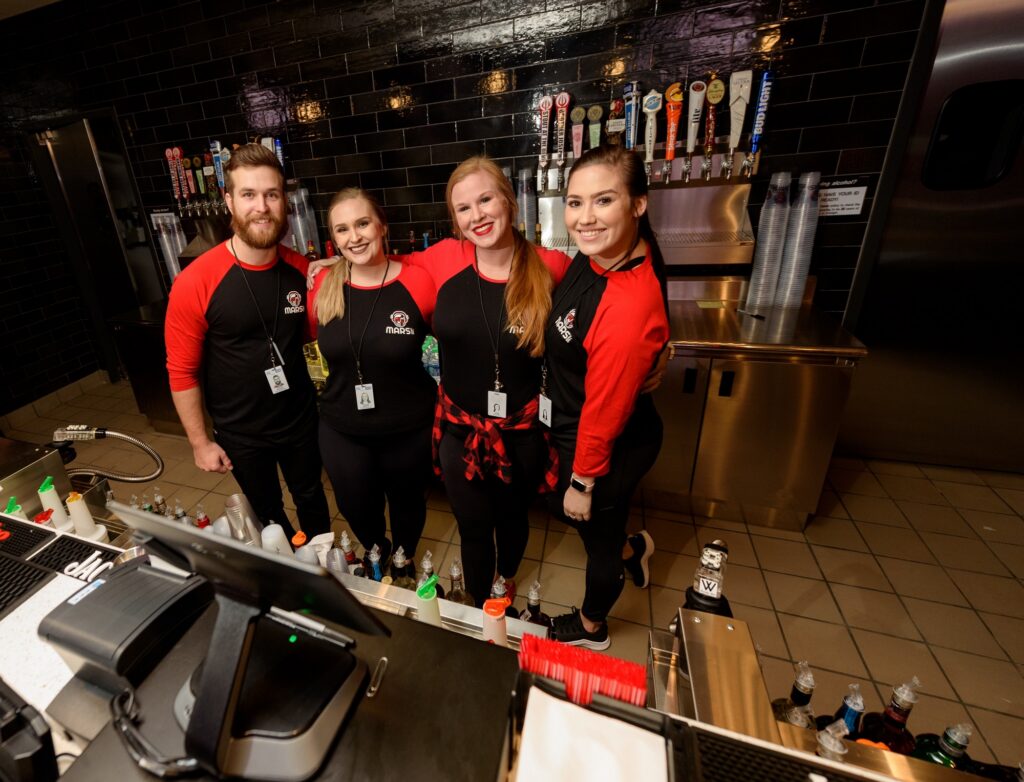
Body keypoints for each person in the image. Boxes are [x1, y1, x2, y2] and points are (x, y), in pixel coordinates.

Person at [165, 143, 330, 536]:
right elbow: (181, 371)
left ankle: (324, 566)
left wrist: (337, 272)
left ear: (284, 202)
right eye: (249, 195)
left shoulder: (302, 272)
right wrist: (200, 442)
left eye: (271, 195)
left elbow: (320, 339)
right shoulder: (196, 282)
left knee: (312, 498)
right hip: (241, 432)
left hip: (300, 420)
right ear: (229, 201)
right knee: (267, 513)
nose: (261, 206)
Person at [544, 145, 670, 649]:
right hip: (582, 430)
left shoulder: (627, 304)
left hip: (606, 445)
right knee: (584, 520)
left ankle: (593, 625)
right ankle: (632, 548)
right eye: (575, 203)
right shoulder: (602, 253)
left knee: (594, 538)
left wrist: (582, 481)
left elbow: (606, 410)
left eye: (603, 201)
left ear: (637, 204)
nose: (585, 218)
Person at [308, 188, 436, 567]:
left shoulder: (419, 281)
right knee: (355, 505)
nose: (355, 237)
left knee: (408, 505)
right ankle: (375, 551)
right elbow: (309, 342)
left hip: (407, 428)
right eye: (343, 230)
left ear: (381, 226)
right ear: (333, 240)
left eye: (363, 223)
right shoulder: (322, 284)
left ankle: (404, 559)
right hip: (342, 427)